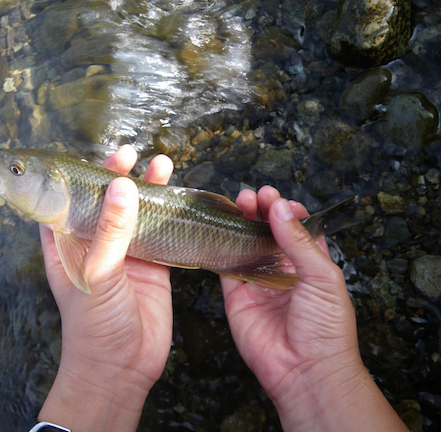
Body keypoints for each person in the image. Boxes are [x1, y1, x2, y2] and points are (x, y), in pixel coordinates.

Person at [35, 145, 409, 432]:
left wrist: (101, 374)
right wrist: (322, 372)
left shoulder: (68, 226)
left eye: (17, 171)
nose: (9, 174)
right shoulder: (66, 224)